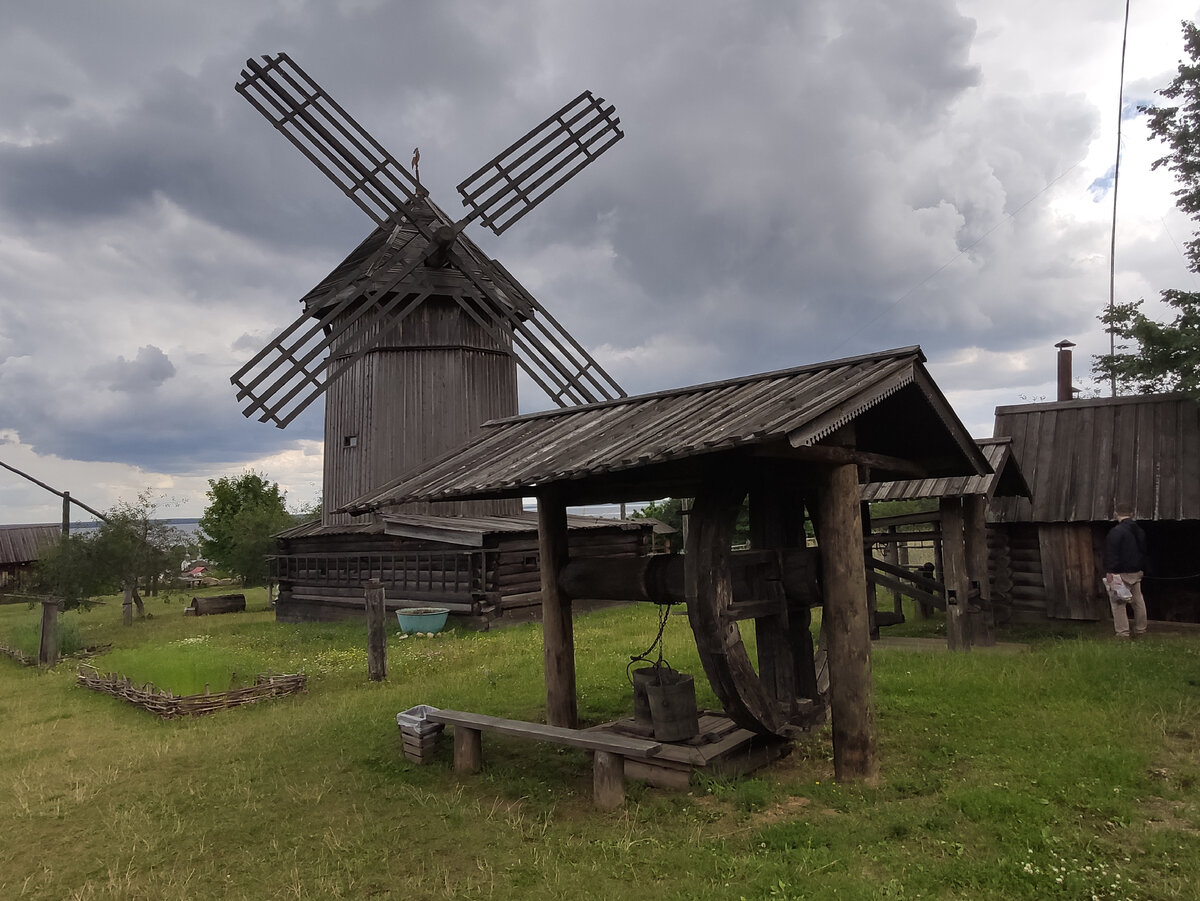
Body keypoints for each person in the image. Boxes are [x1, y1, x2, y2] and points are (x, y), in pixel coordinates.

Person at [1103, 502, 1148, 639]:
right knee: (1138, 600)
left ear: (1116, 514)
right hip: (1137, 571)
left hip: (1121, 572)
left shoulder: (1116, 532)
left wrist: (1111, 571)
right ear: (1132, 514)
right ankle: (1141, 630)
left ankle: (1122, 634)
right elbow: (1144, 550)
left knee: (1118, 602)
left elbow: (1111, 553)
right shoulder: (1139, 530)